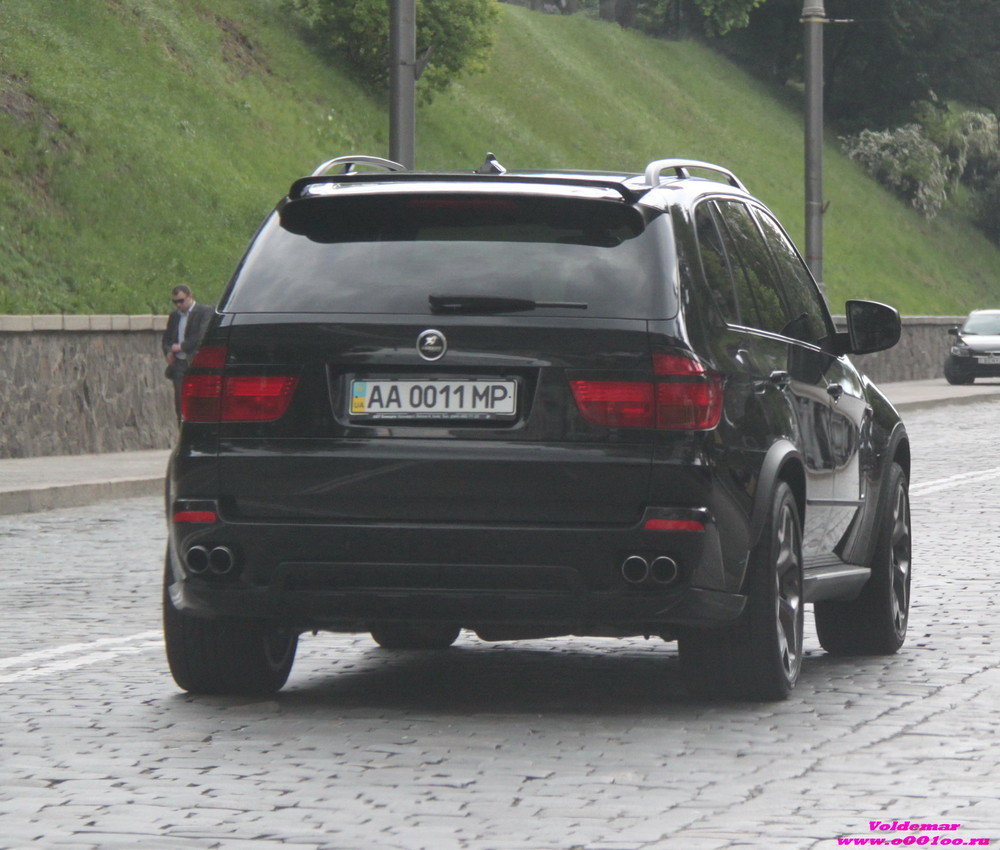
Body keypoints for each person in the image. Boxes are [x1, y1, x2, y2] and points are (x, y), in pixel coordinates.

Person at [162, 285, 214, 422]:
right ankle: (182, 431)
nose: (178, 305)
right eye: (175, 302)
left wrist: (182, 347)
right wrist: (168, 351)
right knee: (180, 402)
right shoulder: (174, 316)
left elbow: (201, 336)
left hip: (197, 363)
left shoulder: (204, 312)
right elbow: (167, 338)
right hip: (179, 364)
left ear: (190, 297)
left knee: (201, 402)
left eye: (181, 301)